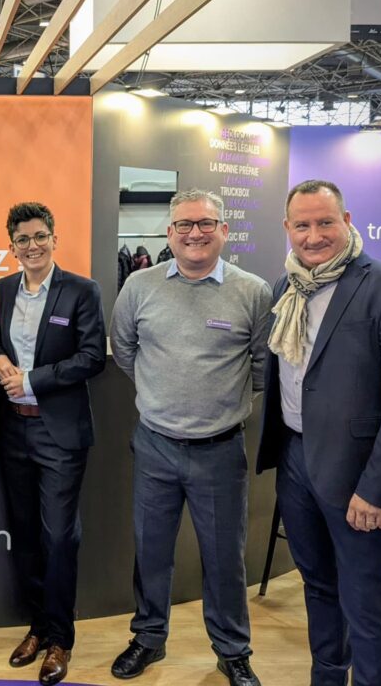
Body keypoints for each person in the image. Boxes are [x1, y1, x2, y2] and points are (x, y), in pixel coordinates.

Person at [257, 180, 381, 686]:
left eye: (325, 223)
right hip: (296, 459)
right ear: (287, 228)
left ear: (347, 221)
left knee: (365, 597)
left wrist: (377, 489)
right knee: (318, 586)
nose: (313, 236)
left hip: (357, 473)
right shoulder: (286, 286)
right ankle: (328, 678)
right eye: (302, 225)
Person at [109, 188, 271, 686]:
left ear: (224, 230)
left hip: (220, 450)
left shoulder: (252, 292)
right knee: (151, 551)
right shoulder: (139, 285)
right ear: (169, 232)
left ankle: (232, 650)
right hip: (155, 444)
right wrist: (162, 394)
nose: (194, 233)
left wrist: (218, 402)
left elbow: (263, 366)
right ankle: (148, 638)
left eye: (205, 224)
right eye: (184, 224)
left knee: (224, 558)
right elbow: (124, 349)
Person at [0, 202, 106, 686]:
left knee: (58, 537)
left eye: (40, 236)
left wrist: (33, 379)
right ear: (11, 246)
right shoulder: (3, 289)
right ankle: (37, 627)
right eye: (23, 239)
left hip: (59, 433)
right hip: (13, 429)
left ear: (54, 239)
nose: (32, 246)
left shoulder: (81, 290)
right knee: (26, 535)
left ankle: (60, 638)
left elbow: (93, 357)